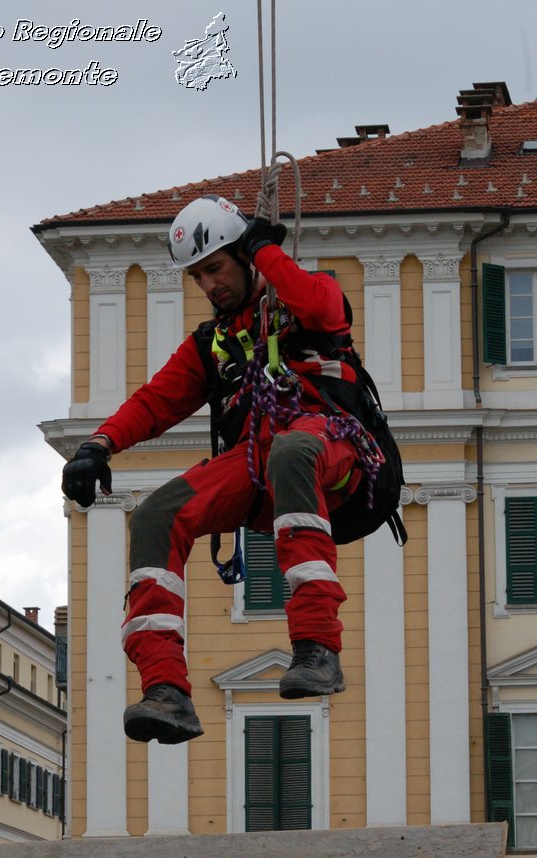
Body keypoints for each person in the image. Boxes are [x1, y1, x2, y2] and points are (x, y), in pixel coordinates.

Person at [62, 194, 368, 746]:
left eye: (214, 269)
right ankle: (166, 691)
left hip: (333, 447)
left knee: (292, 451)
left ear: (244, 257)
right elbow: (156, 401)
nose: (207, 286)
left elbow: (322, 311)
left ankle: (317, 648)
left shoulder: (308, 293)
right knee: (157, 514)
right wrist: (98, 445)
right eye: (197, 277)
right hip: (259, 465)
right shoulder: (215, 343)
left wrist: (268, 251)